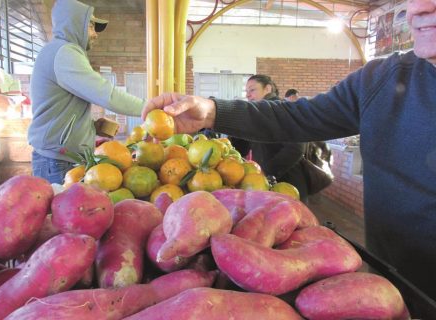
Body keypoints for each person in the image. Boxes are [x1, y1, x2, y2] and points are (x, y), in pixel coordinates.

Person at [142, 0, 436, 304]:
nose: (418, 9)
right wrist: (213, 113)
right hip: (394, 282)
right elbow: (299, 117)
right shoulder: (382, 79)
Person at [28, 0, 144, 184]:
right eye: (91, 25)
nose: (95, 34)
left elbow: (59, 108)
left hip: (59, 159)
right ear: (74, 24)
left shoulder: (57, 52)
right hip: (59, 163)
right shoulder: (65, 52)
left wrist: (89, 126)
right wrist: (149, 107)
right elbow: (107, 94)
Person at [231, 75, 309, 202]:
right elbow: (242, 146)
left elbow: (296, 148)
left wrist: (266, 172)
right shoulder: (257, 113)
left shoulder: (283, 110)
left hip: (288, 184)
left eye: (252, 90)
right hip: (266, 185)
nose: (248, 95)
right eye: (246, 91)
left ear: (267, 88)